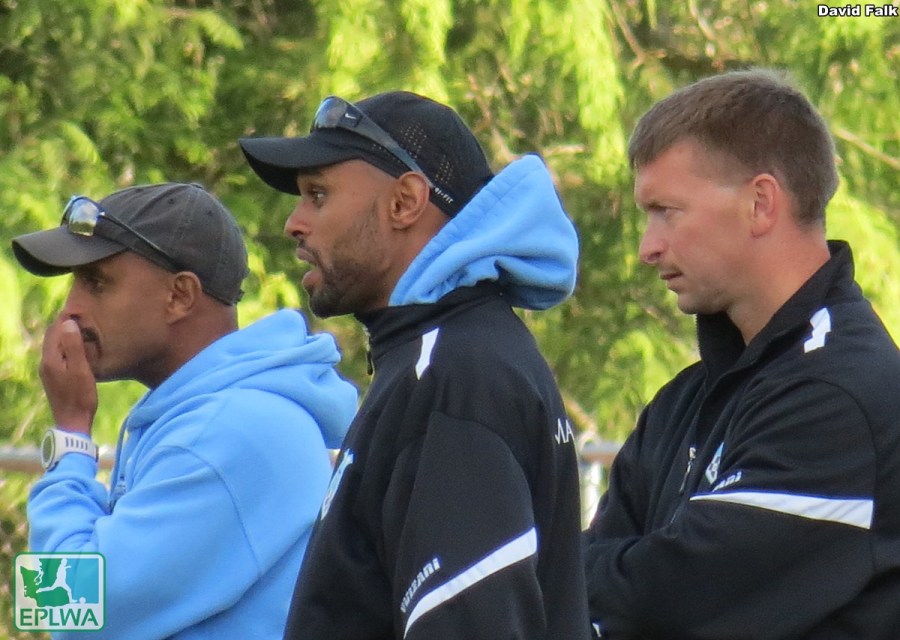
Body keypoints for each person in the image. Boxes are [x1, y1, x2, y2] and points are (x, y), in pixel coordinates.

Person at [239, 91, 591, 639]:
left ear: (404, 202)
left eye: (319, 195)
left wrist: (68, 451)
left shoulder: (455, 375)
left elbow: (77, 609)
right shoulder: (442, 357)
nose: (294, 223)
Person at [583, 69, 900, 639]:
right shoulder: (683, 400)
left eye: (667, 210)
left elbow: (672, 600)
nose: (647, 248)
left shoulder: (839, 395)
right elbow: (602, 593)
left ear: (760, 202)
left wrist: (576, 574)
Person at [11, 182, 357, 639]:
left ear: (179, 295)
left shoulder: (226, 433)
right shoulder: (202, 417)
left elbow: (68, 611)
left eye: (97, 283)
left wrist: (72, 437)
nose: (71, 311)